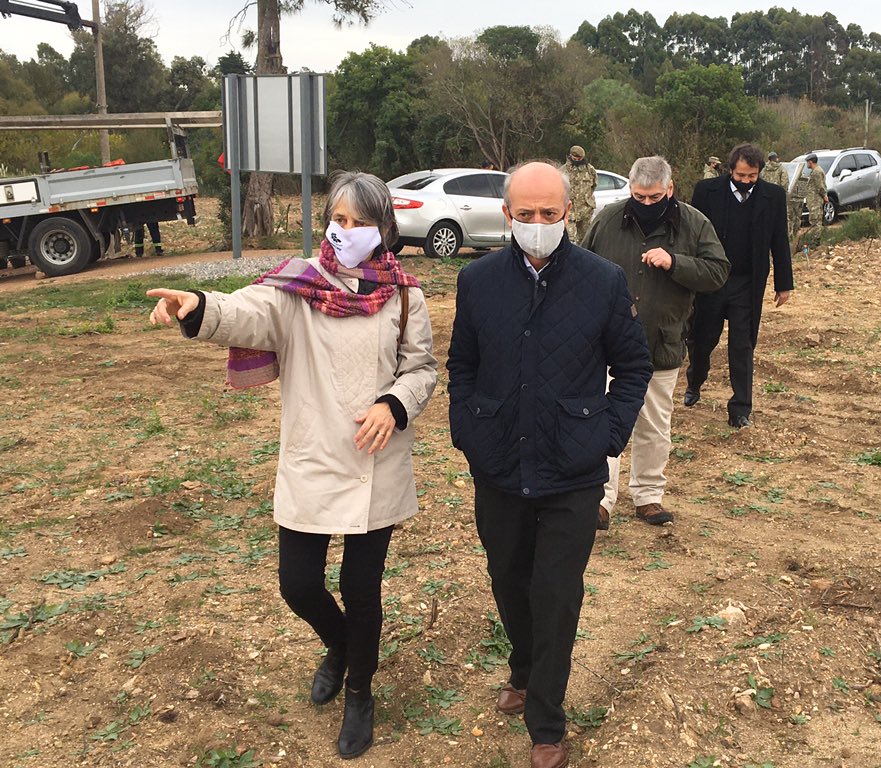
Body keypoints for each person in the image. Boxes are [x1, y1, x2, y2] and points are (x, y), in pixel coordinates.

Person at [146, 171, 437, 761]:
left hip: (374, 461)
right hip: (311, 454)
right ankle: (341, 647)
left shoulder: (406, 295)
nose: (344, 230)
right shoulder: (298, 285)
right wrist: (196, 305)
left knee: (361, 588)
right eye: (338, 218)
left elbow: (422, 369)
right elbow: (245, 312)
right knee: (298, 584)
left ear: (384, 229)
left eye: (358, 222)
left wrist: (394, 403)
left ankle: (360, 693)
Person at [447, 161, 651, 768]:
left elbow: (634, 366)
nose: (538, 224)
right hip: (500, 462)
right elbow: (462, 363)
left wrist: (608, 437)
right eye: (526, 214)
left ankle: (547, 721)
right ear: (507, 214)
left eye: (550, 214)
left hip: (573, 467)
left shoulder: (604, 281)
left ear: (570, 213)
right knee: (508, 576)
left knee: (556, 592)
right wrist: (469, 431)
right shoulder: (477, 280)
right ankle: (523, 666)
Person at [581, 156, 728, 528]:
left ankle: (648, 495)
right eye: (639, 197)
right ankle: (600, 499)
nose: (646, 204)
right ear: (630, 190)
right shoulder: (607, 219)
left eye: (654, 198)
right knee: (601, 420)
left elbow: (718, 271)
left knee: (655, 423)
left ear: (670, 189)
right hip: (607, 345)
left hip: (661, 343)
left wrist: (676, 262)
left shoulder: (695, 223)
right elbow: (577, 266)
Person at [686, 143, 793, 429]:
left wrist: (784, 284)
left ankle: (740, 409)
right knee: (702, 339)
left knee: (742, 346)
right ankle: (695, 381)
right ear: (731, 169)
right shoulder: (706, 192)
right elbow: (690, 235)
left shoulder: (773, 196)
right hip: (711, 280)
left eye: (752, 177)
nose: (746, 181)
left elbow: (779, 241)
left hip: (748, 283)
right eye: (741, 175)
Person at [559, 145, 597, 243]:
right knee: (569, 239)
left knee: (586, 239)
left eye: (579, 158)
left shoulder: (589, 170)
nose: (577, 160)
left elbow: (594, 185)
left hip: (585, 210)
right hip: (570, 211)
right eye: (575, 158)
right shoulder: (563, 171)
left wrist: (587, 199)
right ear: (570, 156)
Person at [803, 153, 828, 248]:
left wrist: (824, 196)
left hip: (815, 201)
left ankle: (816, 241)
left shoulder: (817, 172)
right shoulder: (815, 171)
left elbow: (820, 186)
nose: (807, 164)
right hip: (813, 200)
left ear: (810, 162)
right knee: (814, 219)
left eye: (807, 162)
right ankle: (815, 240)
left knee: (816, 220)